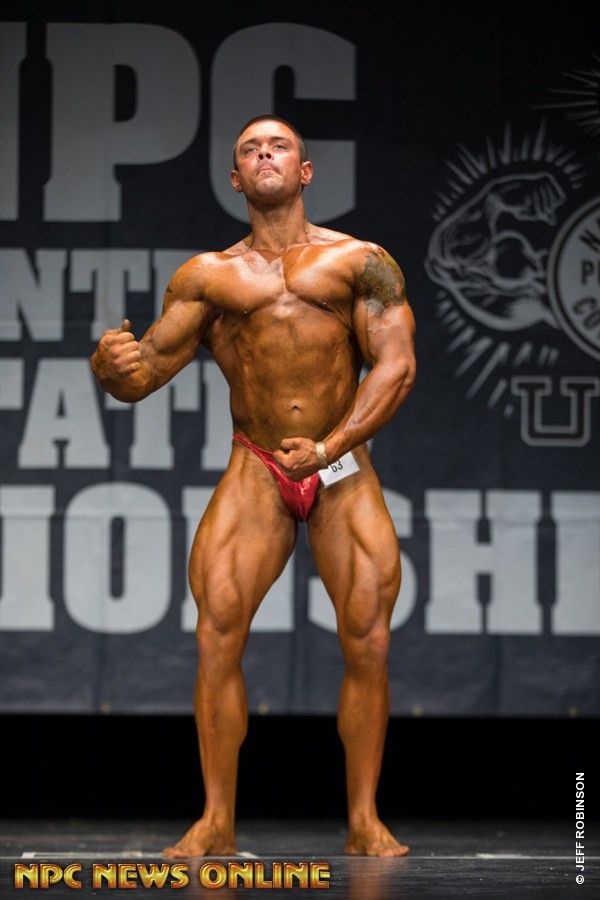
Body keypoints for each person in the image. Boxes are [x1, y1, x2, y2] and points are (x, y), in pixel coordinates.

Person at [90, 115, 416, 858]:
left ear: (304, 172)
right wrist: (109, 370)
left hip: (339, 464)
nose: (265, 154)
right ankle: (216, 820)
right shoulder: (207, 278)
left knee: (368, 639)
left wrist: (329, 446)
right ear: (236, 178)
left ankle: (364, 819)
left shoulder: (361, 263)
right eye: (250, 149)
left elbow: (397, 368)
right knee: (216, 634)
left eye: (279, 146)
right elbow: (144, 373)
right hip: (256, 465)